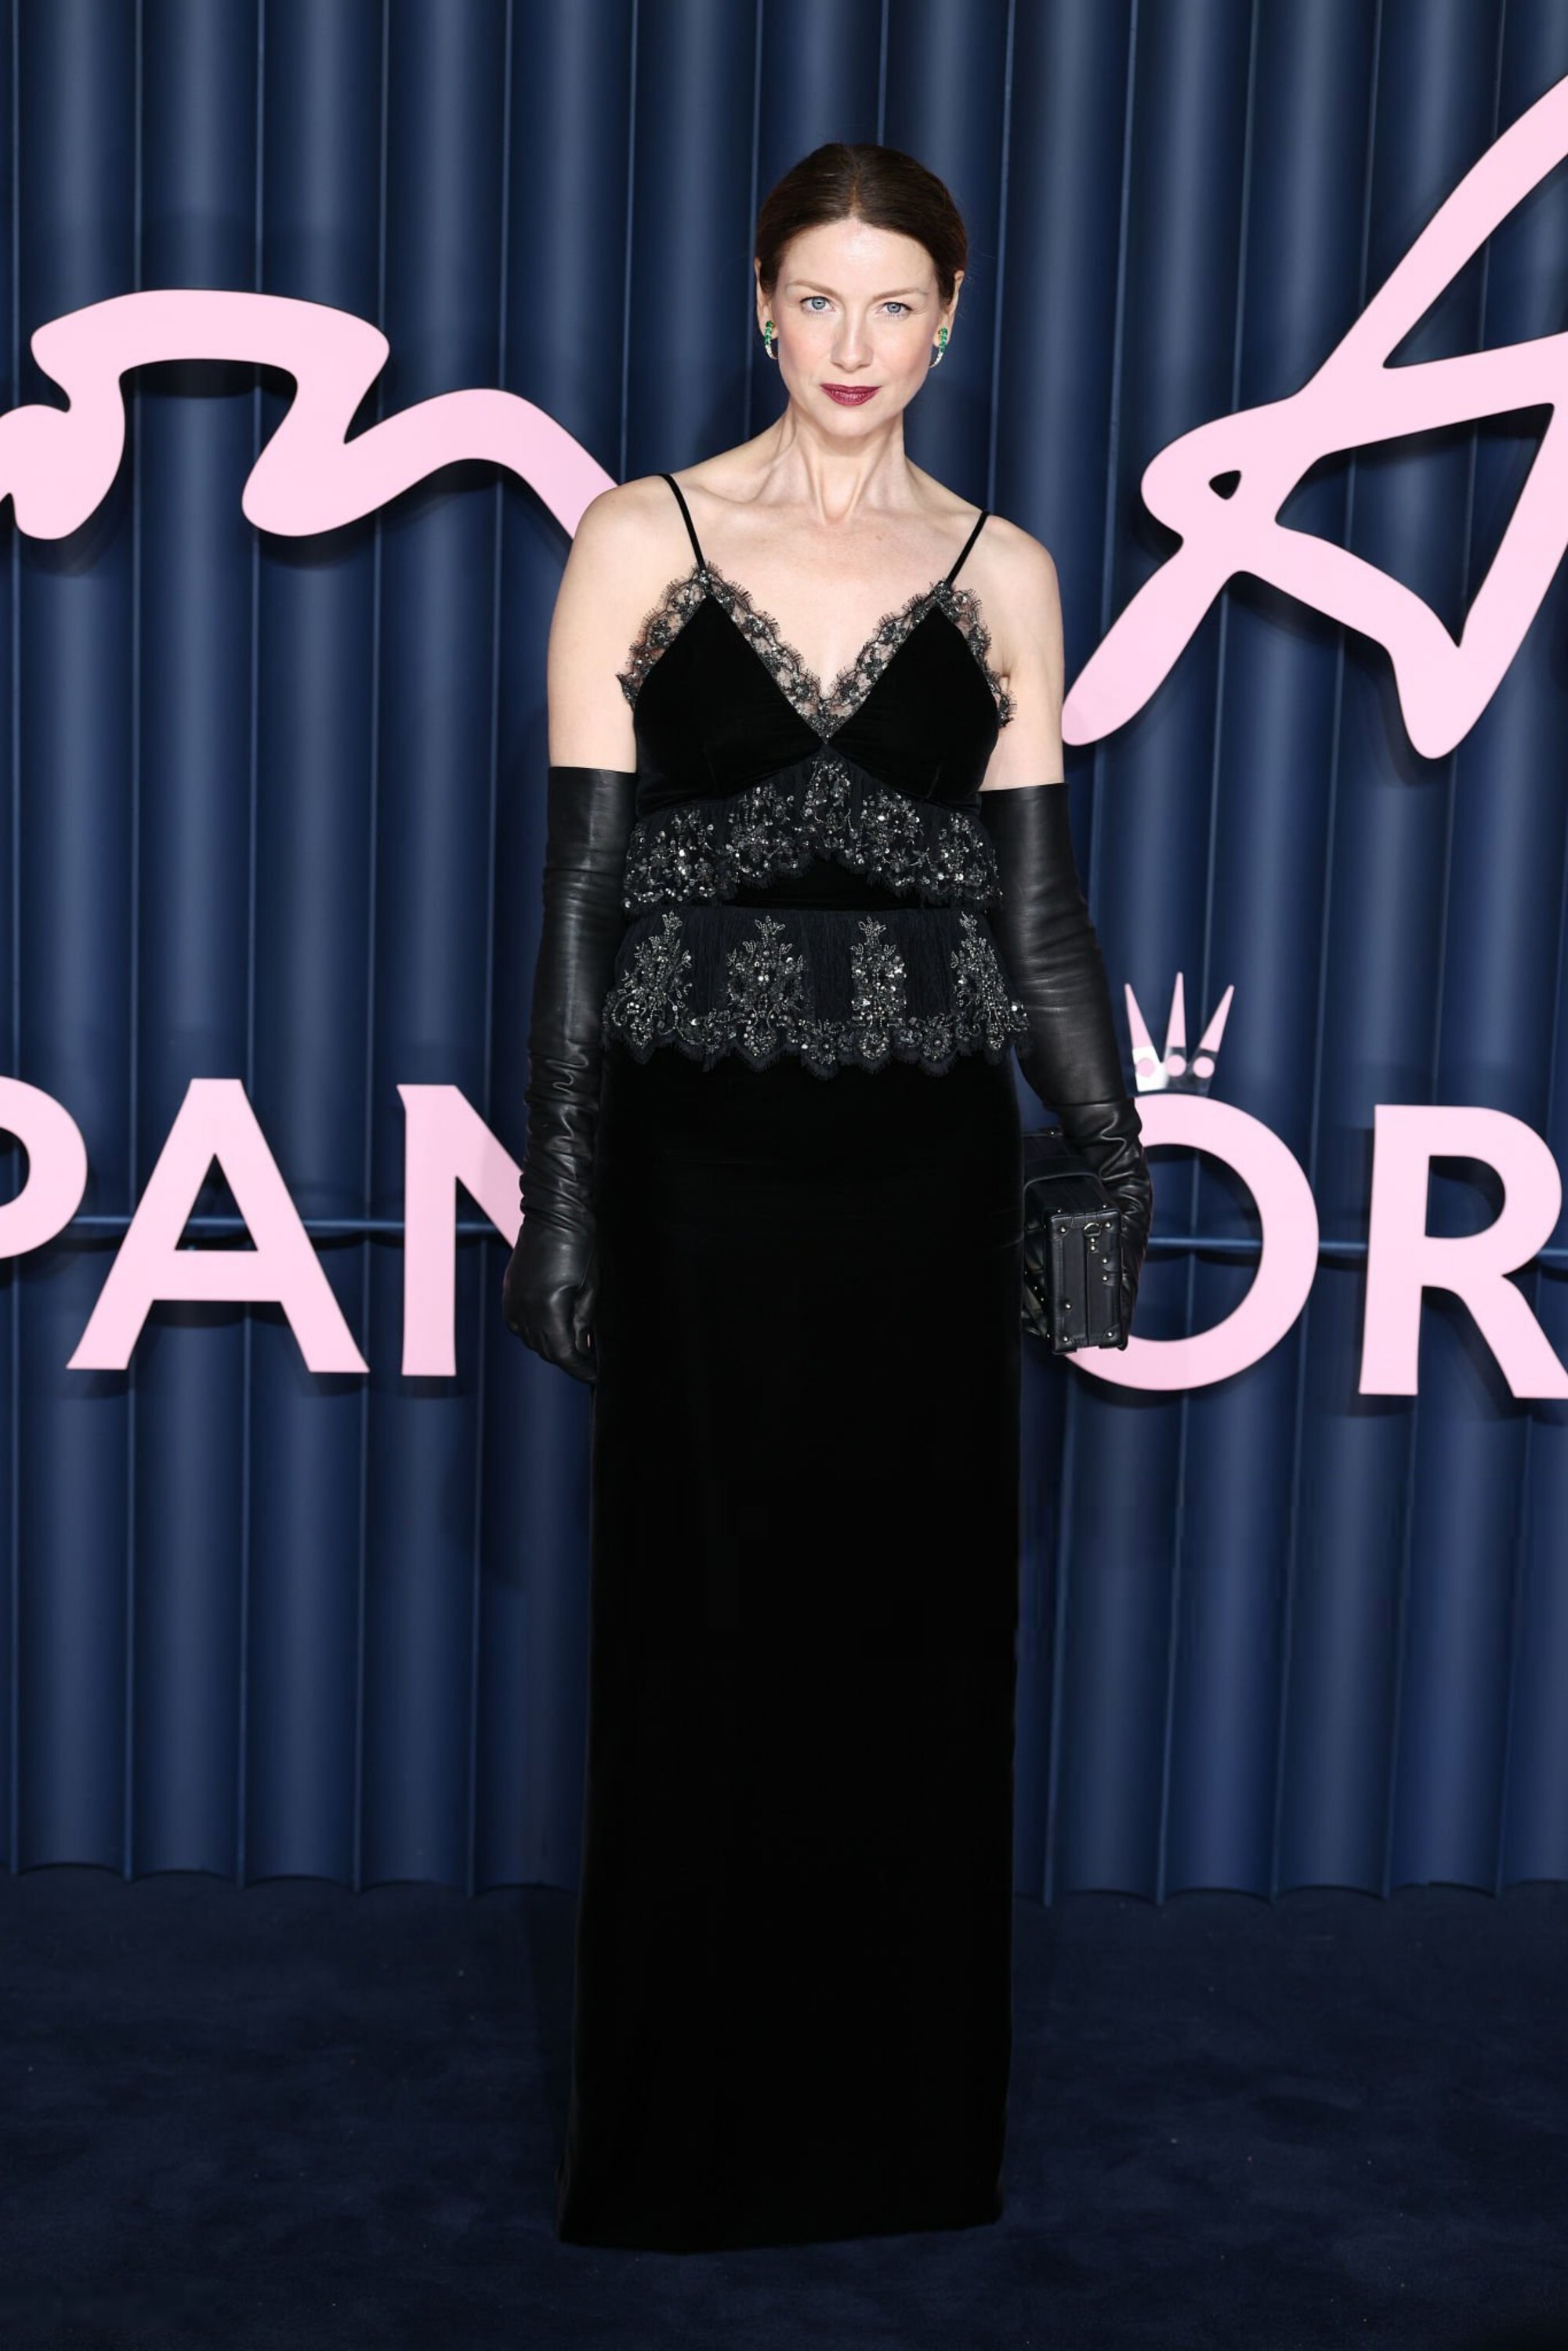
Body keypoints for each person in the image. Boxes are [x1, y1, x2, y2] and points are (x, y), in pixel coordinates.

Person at [503, 142, 1152, 2253]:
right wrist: (564, 1199)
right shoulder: (638, 537)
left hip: (922, 1192)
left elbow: (1038, 921)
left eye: (894, 303)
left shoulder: (1008, 573)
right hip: (697, 1185)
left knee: (913, 1654)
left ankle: (899, 2144)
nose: (852, 343)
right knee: (695, 1649)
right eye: (817, 299)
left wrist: (1108, 1158)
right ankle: (681, 2154)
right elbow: (582, 905)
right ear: (759, 308)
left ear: (949, 322)